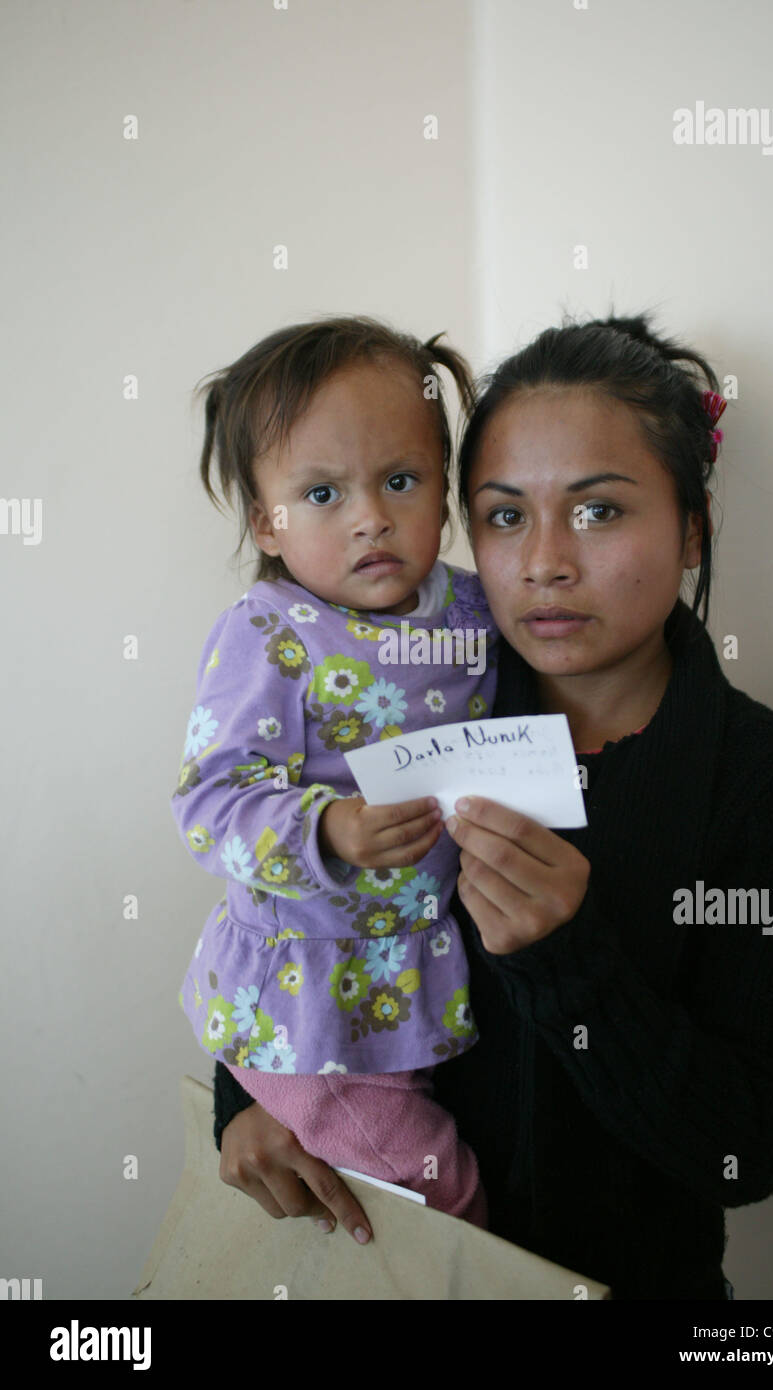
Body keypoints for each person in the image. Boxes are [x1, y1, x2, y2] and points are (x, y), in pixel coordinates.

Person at [212, 313, 773, 1299]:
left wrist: (570, 956)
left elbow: (745, 1150)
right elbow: (284, 907)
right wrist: (249, 1098)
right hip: (380, 1266)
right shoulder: (416, 696)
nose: (546, 561)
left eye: (599, 511)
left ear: (693, 525)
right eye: (505, 516)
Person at [171, 315, 499, 1225]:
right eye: (322, 494)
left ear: (446, 489)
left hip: (419, 983)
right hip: (309, 1016)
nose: (370, 517)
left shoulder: (476, 610)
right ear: (264, 522)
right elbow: (209, 802)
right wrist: (328, 826)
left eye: (401, 481)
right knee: (444, 1195)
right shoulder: (271, 635)